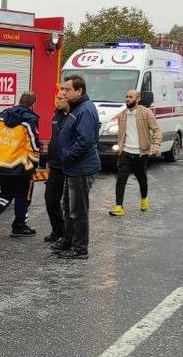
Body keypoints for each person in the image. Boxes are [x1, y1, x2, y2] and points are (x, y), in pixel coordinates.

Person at [51, 74, 101, 260]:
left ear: (79, 91)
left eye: (67, 90)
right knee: (68, 206)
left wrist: (68, 157)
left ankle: (80, 248)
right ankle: (69, 240)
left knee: (78, 210)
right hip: (71, 167)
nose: (63, 92)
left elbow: (85, 141)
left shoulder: (85, 110)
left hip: (81, 168)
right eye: (62, 89)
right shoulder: (74, 108)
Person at [0, 91, 40, 237]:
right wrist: (34, 164)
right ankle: (19, 226)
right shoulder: (30, 119)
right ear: (33, 105)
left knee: (7, 192)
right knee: (23, 195)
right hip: (20, 164)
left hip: (1, 162)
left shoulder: (2, 116)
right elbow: (33, 144)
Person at [110, 89, 163, 216]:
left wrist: (155, 146)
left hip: (141, 153)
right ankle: (119, 206)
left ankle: (144, 199)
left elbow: (157, 130)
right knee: (121, 179)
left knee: (142, 179)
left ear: (137, 99)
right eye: (127, 96)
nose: (128, 99)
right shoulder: (122, 115)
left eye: (131, 97)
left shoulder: (146, 113)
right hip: (125, 153)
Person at [43, 87, 70, 243]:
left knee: (68, 203)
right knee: (50, 200)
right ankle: (57, 230)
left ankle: (67, 234)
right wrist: (48, 159)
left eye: (60, 98)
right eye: (57, 98)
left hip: (68, 166)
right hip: (54, 165)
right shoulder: (56, 116)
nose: (57, 101)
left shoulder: (73, 116)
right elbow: (54, 139)